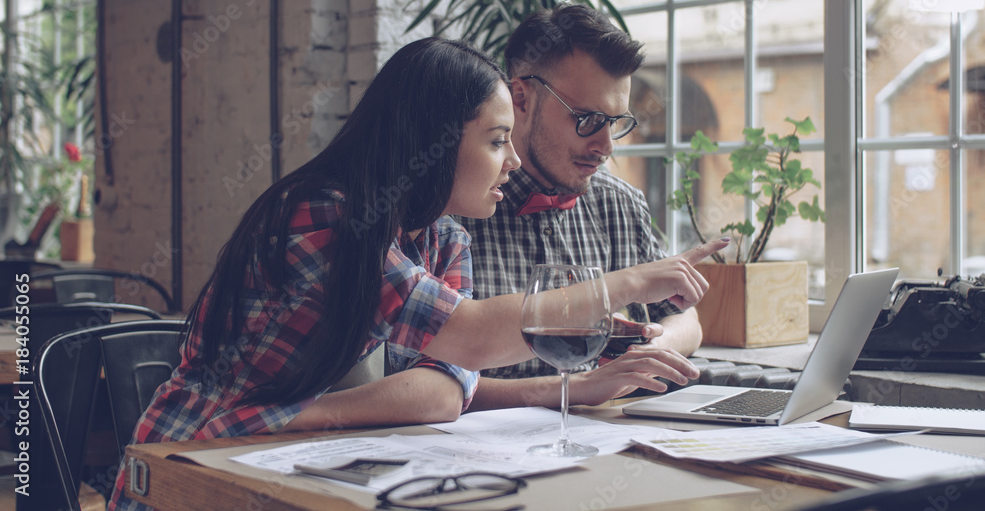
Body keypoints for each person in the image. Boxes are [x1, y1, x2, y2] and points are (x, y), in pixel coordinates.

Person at [108, 37, 724, 509]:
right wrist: (634, 280)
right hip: (190, 457)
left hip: (278, 448)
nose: (511, 161)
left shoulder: (443, 237)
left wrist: (302, 412)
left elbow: (442, 392)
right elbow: (475, 336)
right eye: (495, 140)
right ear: (431, 141)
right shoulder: (324, 215)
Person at [457, 4, 725, 411]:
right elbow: (429, 379)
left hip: (612, 442)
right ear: (520, 98)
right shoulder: (453, 210)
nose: (606, 146)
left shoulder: (620, 204)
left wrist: (650, 353)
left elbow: (685, 318)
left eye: (615, 122)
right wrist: (581, 386)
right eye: (586, 119)